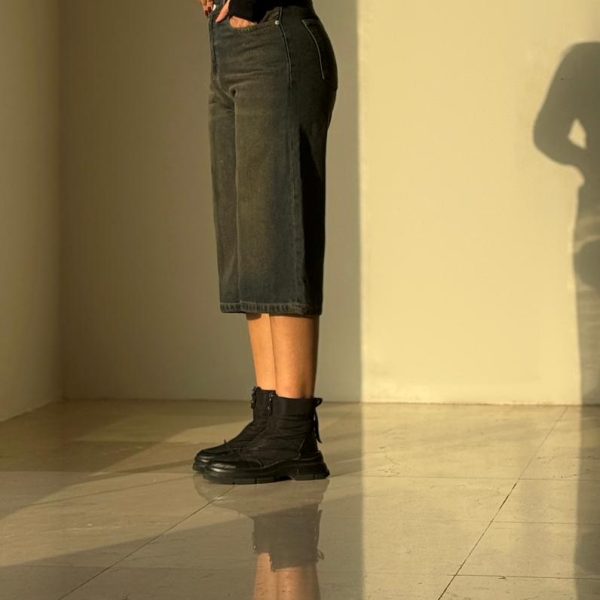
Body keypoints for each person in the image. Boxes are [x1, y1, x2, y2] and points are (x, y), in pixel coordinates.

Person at [192, 0, 338, 484]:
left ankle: (293, 428)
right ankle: (270, 415)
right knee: (249, 237)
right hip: (228, 51)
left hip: (275, 38)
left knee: (279, 230)